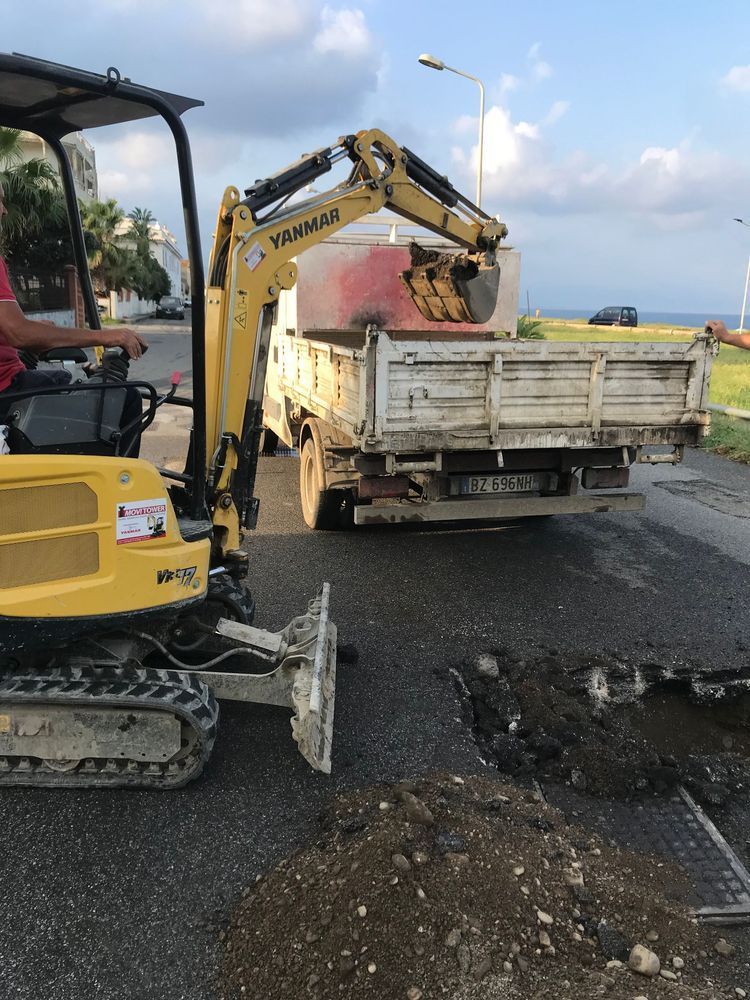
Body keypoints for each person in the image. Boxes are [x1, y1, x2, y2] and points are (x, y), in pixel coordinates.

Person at [0, 180, 147, 453]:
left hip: (10, 381)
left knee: (62, 380)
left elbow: (14, 327)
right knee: (125, 399)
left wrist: (35, 329)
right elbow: (17, 332)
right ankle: (116, 490)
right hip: (6, 392)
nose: (4, 210)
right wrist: (106, 336)